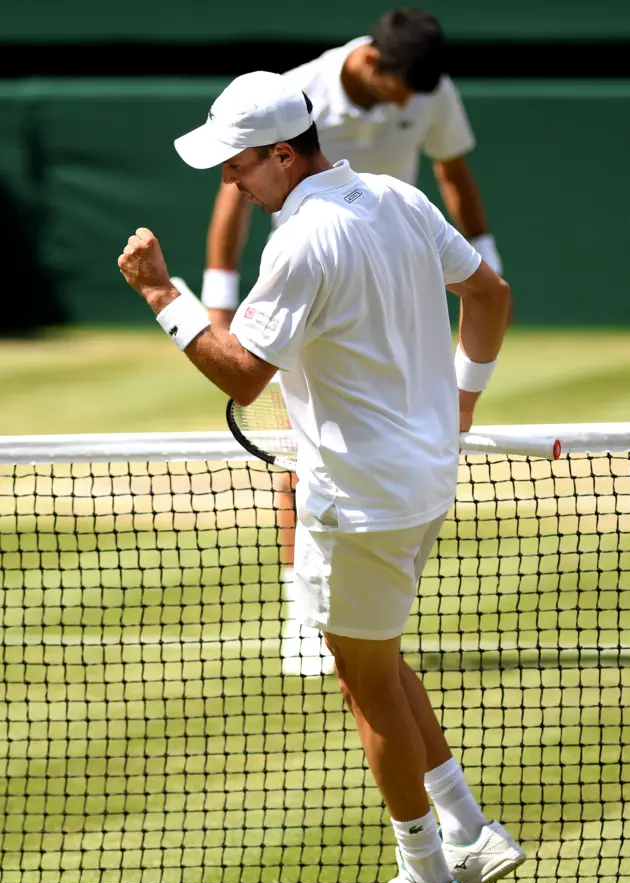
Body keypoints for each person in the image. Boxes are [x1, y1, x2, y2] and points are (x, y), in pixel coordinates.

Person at [118, 69, 525, 883]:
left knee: (363, 683)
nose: (229, 180)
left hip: (360, 497)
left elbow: (240, 372)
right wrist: (462, 403)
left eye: (237, 165)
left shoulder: (300, 241)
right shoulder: (396, 198)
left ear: (280, 154)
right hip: (420, 484)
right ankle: (468, 831)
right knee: (378, 657)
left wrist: (163, 295)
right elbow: (489, 296)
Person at [201, 7, 504, 677]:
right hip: (301, 279)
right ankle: (301, 616)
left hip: (386, 259)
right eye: (403, 91)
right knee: (296, 449)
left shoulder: (428, 89)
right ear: (372, 64)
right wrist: (217, 310)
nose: (413, 105)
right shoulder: (295, 96)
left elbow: (455, 175)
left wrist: (487, 267)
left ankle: (348, 619)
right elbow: (232, 199)